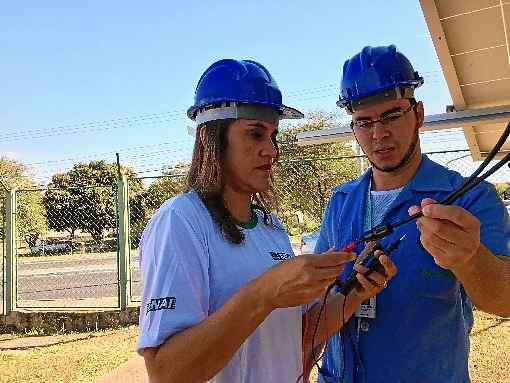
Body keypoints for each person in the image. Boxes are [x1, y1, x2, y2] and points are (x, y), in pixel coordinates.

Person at [136, 58, 396, 383]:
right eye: (255, 134)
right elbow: (166, 372)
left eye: (273, 136)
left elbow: (298, 336)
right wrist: (264, 293)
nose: (271, 150)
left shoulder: (269, 227)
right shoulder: (181, 221)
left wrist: (354, 292)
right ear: (209, 138)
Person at [314, 45, 510, 383]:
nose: (379, 134)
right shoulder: (341, 201)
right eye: (364, 122)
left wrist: (469, 257)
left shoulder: (468, 198)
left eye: (391, 115)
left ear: (418, 114)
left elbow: (505, 300)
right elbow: (318, 297)